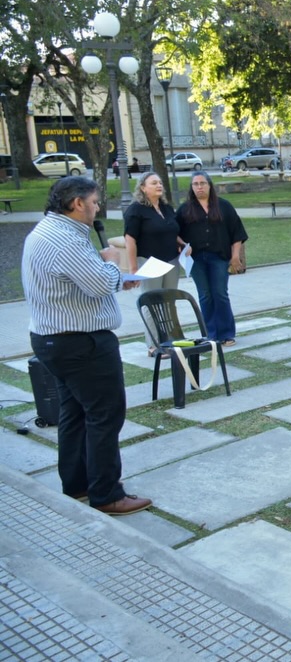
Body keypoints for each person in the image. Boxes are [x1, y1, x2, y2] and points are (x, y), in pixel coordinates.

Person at [23, 176, 151, 515]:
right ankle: (107, 493)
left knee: (75, 414)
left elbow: (82, 281)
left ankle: (78, 484)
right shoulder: (64, 238)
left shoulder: (47, 231)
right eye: (94, 202)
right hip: (82, 343)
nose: (97, 208)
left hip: (56, 339)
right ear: (77, 203)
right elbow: (99, 283)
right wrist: (110, 262)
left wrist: (102, 271)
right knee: (105, 415)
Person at [176, 171, 248, 347]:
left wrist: (235, 256)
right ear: (192, 188)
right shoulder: (185, 209)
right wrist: (183, 244)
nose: (199, 187)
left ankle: (227, 333)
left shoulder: (224, 206)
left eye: (202, 183)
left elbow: (236, 233)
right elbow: (173, 232)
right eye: (195, 184)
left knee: (220, 293)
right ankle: (211, 334)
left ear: (209, 185)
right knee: (205, 295)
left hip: (219, 257)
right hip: (196, 259)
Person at [123, 172, 181, 357]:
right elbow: (130, 240)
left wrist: (183, 244)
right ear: (143, 187)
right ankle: (154, 345)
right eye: (154, 183)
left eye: (160, 182)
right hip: (149, 262)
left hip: (171, 260)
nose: (159, 185)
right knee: (151, 303)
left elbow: (172, 231)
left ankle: (171, 339)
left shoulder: (165, 208)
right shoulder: (136, 210)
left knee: (169, 301)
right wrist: (134, 269)